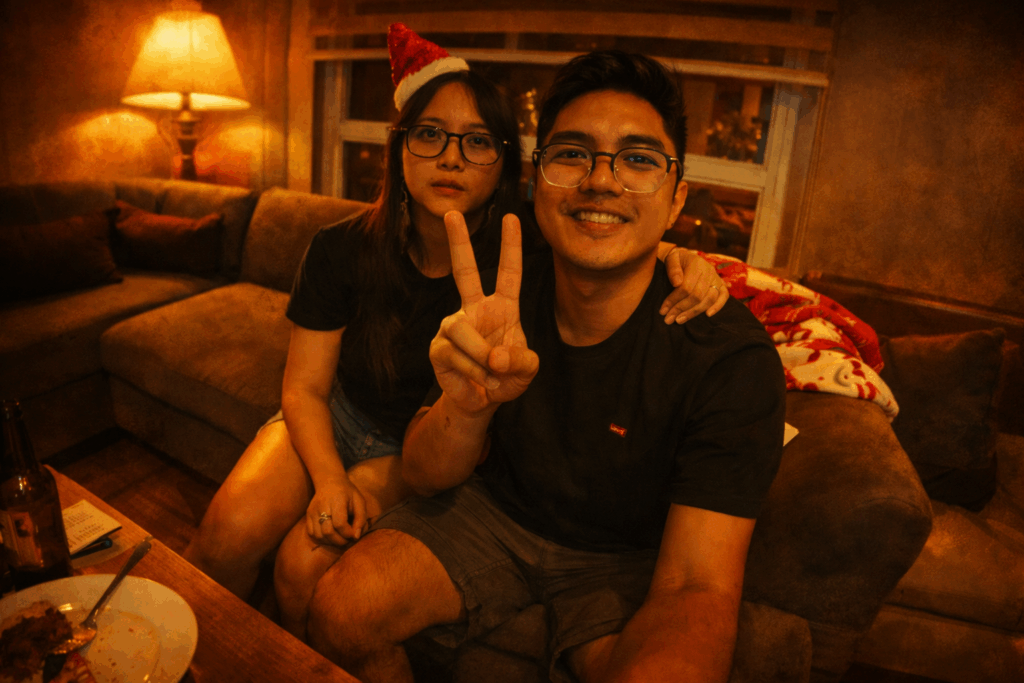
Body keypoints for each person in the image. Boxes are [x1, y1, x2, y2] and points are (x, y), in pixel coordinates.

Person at [182, 26, 727, 632]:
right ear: (399, 148)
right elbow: (305, 388)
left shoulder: (526, 249)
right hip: (334, 413)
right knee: (223, 537)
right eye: (430, 135)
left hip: (418, 447)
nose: (451, 157)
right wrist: (328, 478)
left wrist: (685, 260)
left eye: (478, 142)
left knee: (301, 563)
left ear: (506, 165)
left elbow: (610, 237)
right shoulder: (339, 248)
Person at [304, 49, 787, 683]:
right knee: (339, 610)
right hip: (492, 515)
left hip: (625, 556)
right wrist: (467, 407)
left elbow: (698, 583)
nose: (601, 180)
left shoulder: (730, 360)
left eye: (639, 160)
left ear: (676, 201)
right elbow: (421, 474)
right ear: (537, 183)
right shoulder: (499, 292)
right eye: (573, 153)